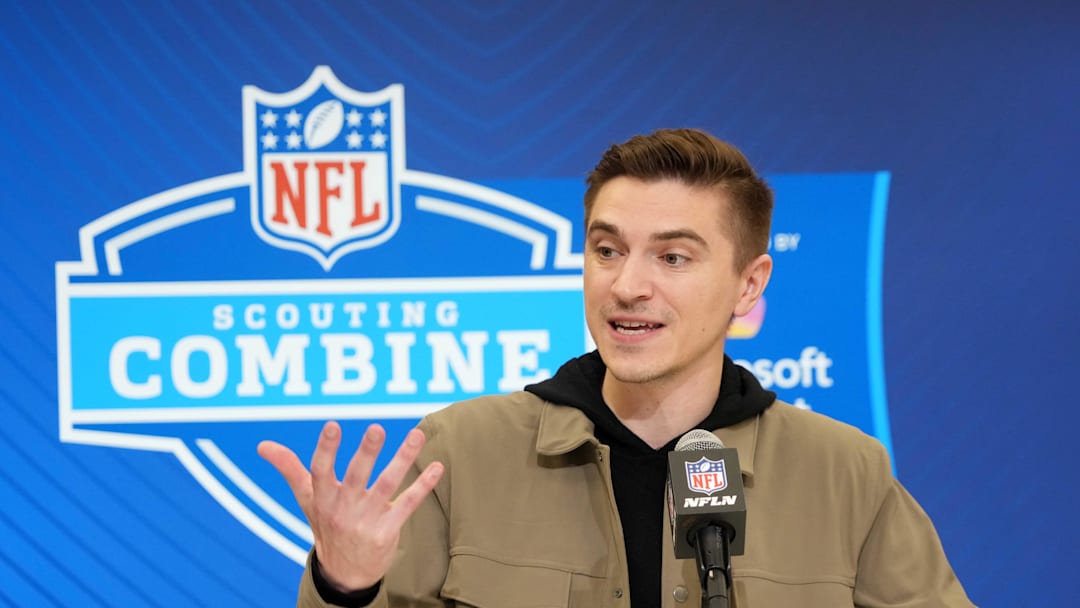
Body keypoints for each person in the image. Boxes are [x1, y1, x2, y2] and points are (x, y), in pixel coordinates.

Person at [259, 128, 975, 607]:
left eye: (672, 257)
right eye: (607, 250)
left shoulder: (844, 474)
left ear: (749, 285)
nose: (627, 285)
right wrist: (345, 585)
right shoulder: (460, 454)